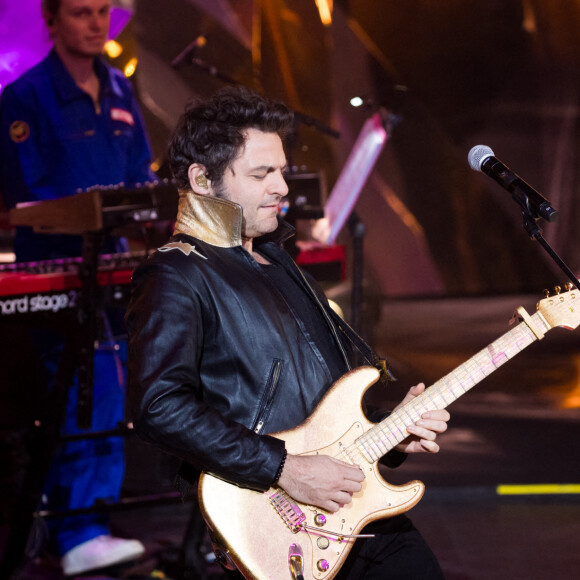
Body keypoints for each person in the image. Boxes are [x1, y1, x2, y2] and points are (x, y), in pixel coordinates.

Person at [125, 86, 450, 579]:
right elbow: (158, 406)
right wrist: (283, 468)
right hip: (280, 520)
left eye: (280, 170)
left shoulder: (278, 260)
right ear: (202, 178)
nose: (282, 186)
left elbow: (321, 394)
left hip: (352, 501)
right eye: (261, 174)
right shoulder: (176, 273)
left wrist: (389, 431)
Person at [0, 0, 155, 574]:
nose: (96, 24)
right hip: (60, 276)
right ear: (51, 21)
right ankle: (79, 532)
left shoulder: (118, 89)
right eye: (80, 12)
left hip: (116, 272)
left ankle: (90, 524)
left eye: (102, 12)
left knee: (113, 386)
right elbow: (27, 203)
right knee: (85, 392)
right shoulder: (25, 98)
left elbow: (140, 177)